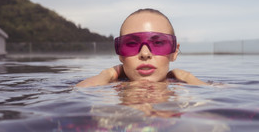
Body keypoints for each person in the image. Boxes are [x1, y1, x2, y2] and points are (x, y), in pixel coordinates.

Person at [76, 8, 210, 87]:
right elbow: (79, 94)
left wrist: (189, 78)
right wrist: (106, 74)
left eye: (158, 43)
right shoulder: (114, 88)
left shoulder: (181, 89)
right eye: (132, 44)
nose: (145, 54)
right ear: (120, 54)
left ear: (174, 51)